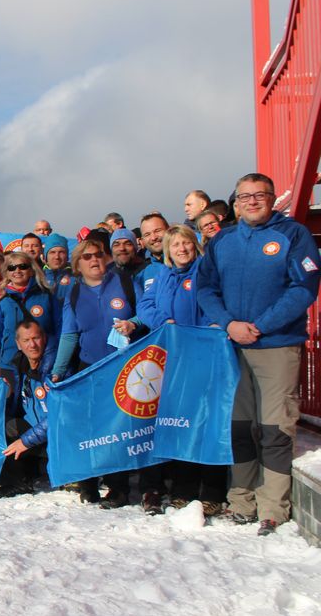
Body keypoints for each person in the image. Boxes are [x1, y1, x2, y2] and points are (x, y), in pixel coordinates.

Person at [197, 172, 321, 535]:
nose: (252, 201)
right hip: (233, 346)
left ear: (271, 198)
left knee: (274, 427)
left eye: (260, 195)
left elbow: (304, 287)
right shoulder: (224, 240)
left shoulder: (292, 234)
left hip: (276, 345)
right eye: (245, 196)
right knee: (239, 427)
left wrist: (261, 326)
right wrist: (229, 323)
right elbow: (205, 287)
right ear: (235, 203)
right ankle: (242, 500)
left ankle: (272, 507)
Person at [136, 225, 224, 515]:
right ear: (168, 251)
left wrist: (210, 326)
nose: (182, 249)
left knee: (207, 422)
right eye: (175, 245)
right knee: (182, 423)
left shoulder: (205, 270)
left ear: (194, 245)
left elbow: (217, 303)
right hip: (174, 361)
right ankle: (184, 489)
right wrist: (163, 321)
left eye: (186, 243)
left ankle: (212, 491)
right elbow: (145, 305)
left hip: (204, 357)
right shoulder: (163, 275)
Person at [52, 239, 145, 509]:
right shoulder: (74, 293)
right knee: (88, 427)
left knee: (117, 428)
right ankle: (88, 483)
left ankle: (118, 488)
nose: (94, 260)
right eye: (87, 256)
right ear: (78, 264)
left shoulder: (124, 282)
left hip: (123, 367)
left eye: (98, 255)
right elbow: (69, 334)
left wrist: (133, 323)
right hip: (89, 367)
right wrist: (58, 371)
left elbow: (147, 313)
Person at [0, 320, 54, 499]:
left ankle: (23, 478)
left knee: (13, 431)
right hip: (36, 433)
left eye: (36, 338)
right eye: (26, 340)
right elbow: (22, 407)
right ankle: (20, 479)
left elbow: (57, 417)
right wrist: (4, 395)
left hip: (56, 436)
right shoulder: (21, 366)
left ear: (44, 339)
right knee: (2, 425)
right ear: (18, 344)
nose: (32, 345)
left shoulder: (54, 369)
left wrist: (25, 441)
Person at [0, 253, 59, 385]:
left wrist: (58, 366)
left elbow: (59, 330)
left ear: (31, 270)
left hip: (43, 364)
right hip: (10, 365)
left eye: (23, 266)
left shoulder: (46, 296)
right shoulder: (2, 302)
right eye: (11, 267)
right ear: (7, 273)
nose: (17, 270)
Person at [42, 235, 73, 301]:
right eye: (52, 252)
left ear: (67, 256)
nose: (57, 257)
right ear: (45, 257)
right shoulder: (38, 278)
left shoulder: (76, 277)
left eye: (61, 252)